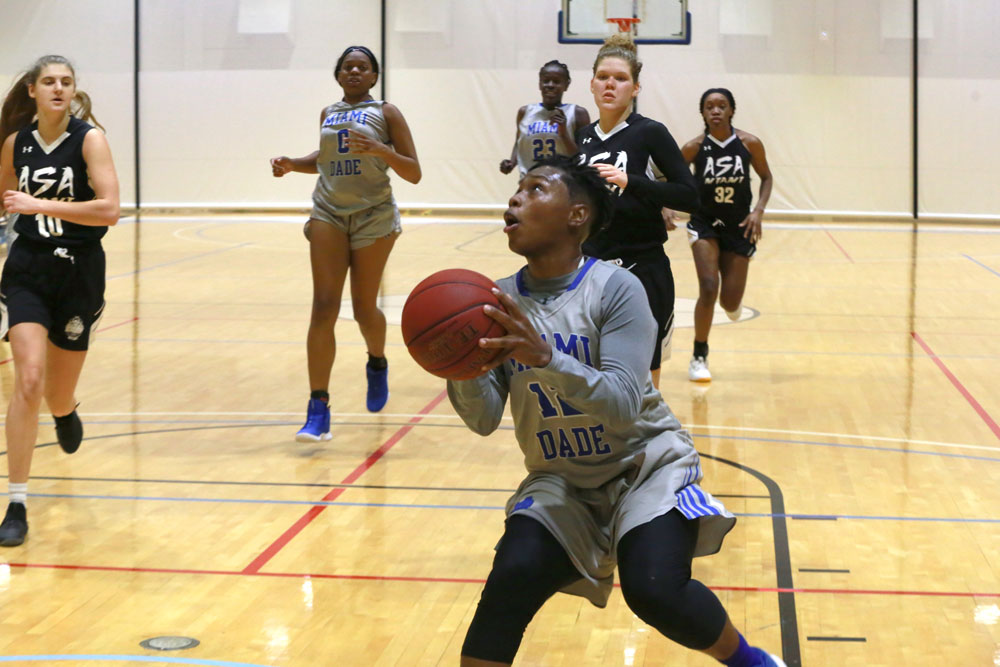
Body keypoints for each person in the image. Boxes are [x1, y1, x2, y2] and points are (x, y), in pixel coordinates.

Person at [448, 156, 785, 667]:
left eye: (535, 189)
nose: (515, 198)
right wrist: (460, 364)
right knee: (511, 575)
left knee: (654, 590)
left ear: (577, 215)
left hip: (643, 467)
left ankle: (748, 661)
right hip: (560, 478)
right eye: (516, 189)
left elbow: (625, 404)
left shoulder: (615, 289)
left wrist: (546, 356)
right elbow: (484, 418)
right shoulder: (495, 301)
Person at [270, 45, 421, 442]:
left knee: (363, 307)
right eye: (348, 67)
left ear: (374, 76)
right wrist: (290, 164)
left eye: (363, 67)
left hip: (374, 214)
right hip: (328, 212)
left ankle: (376, 361)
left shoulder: (387, 112)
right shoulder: (329, 113)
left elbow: (414, 172)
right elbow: (323, 159)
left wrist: (381, 149)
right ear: (338, 75)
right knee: (323, 305)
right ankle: (318, 408)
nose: (355, 71)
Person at [0, 55, 120, 546]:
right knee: (27, 379)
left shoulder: (90, 139)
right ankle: (17, 502)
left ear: (74, 91)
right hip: (27, 270)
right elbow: (5, 202)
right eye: (48, 81)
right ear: (32, 89)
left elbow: (109, 210)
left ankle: (66, 410)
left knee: (54, 391)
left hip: (78, 272)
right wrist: (21, 210)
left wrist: (40, 204)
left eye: (66, 82)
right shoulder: (15, 144)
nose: (58, 88)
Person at [575, 34, 700, 388]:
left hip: (641, 270)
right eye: (603, 77)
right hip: (589, 271)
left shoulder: (650, 134)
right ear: (592, 84)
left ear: (635, 88)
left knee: (644, 381)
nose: (610, 84)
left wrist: (632, 182)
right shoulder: (583, 137)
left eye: (620, 78)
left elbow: (688, 196)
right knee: (595, 375)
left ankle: (645, 441)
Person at [680, 88, 772, 382]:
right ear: (703, 113)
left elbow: (767, 177)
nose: (716, 111)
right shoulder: (693, 147)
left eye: (722, 106)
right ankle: (699, 355)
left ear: (731, 110)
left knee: (730, 304)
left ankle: (733, 301)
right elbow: (670, 179)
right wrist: (666, 208)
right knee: (708, 286)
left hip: (738, 226)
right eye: (709, 107)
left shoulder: (749, 143)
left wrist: (757, 210)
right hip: (704, 223)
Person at [499, 61, 590, 178]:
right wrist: (512, 162)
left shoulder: (577, 113)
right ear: (539, 83)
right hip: (530, 180)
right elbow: (519, 143)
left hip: (563, 183)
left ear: (566, 85)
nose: (550, 85)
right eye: (546, 81)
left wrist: (563, 134)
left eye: (556, 81)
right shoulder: (525, 112)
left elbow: (583, 157)